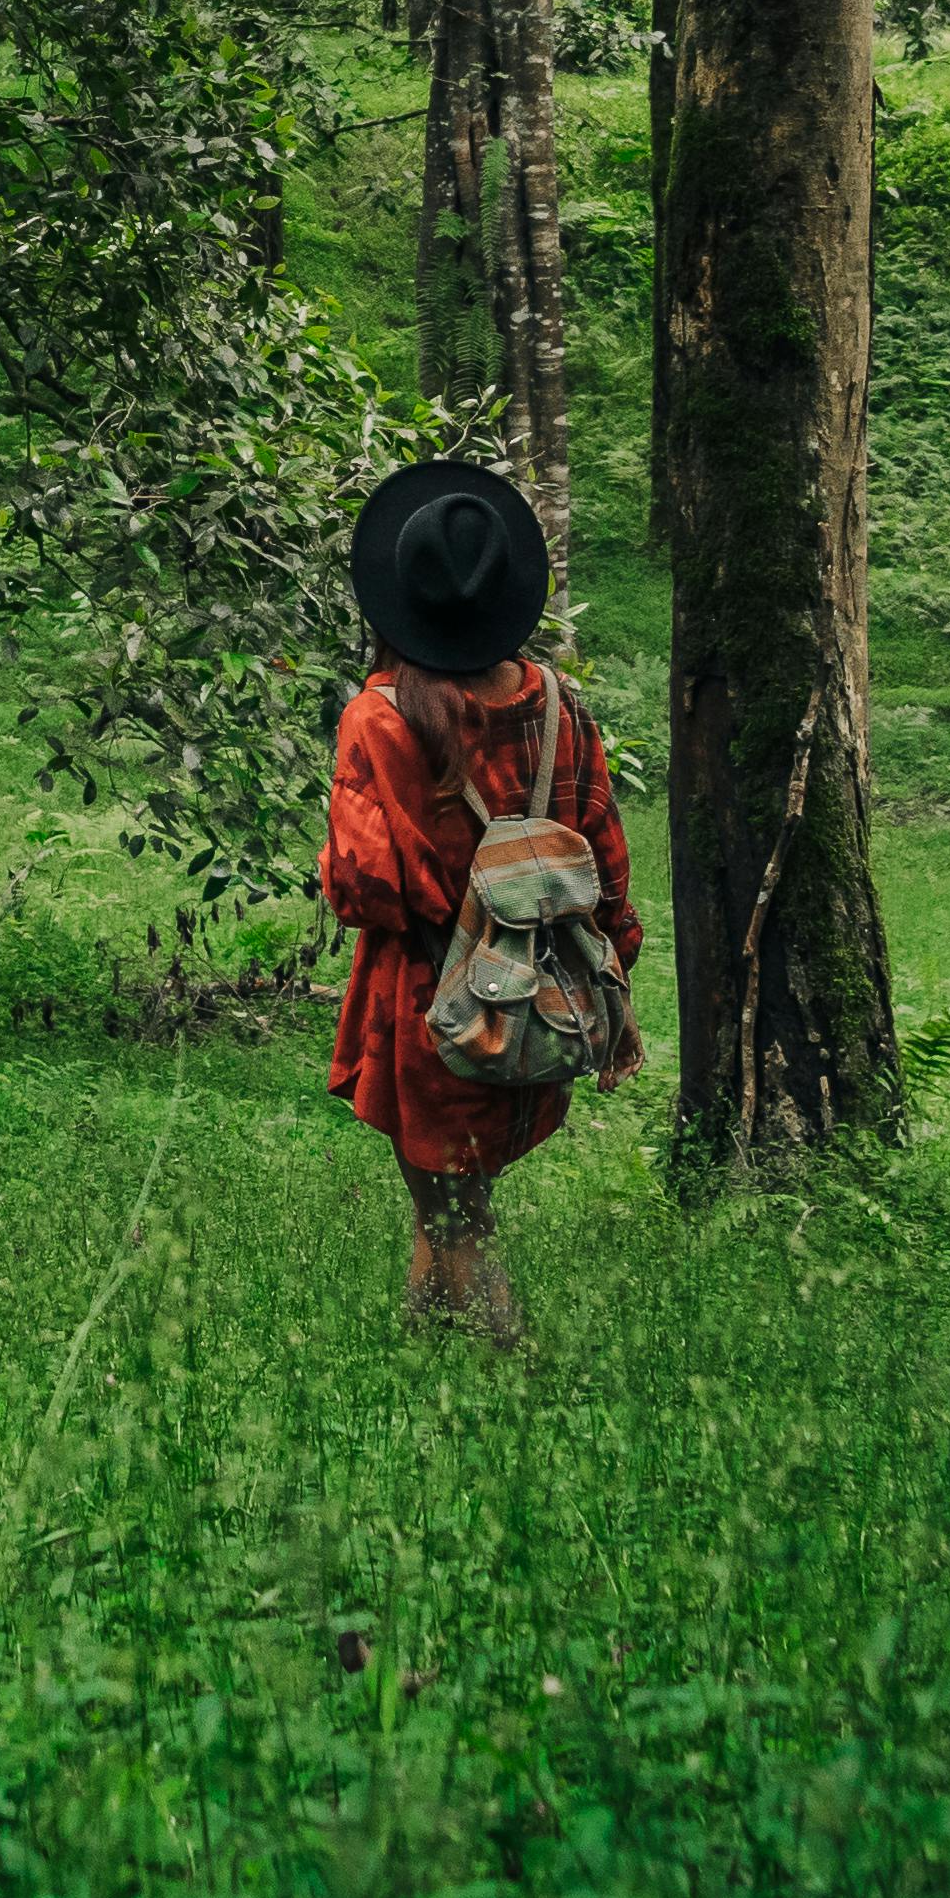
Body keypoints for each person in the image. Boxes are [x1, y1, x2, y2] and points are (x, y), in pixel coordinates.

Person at [316, 459, 639, 1341]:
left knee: (456, 1214)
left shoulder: (381, 718)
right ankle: (419, 1361)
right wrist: (607, 992)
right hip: (538, 996)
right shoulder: (558, 705)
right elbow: (605, 864)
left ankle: (512, 1379)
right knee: (446, 1200)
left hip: (436, 1003)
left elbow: (364, 888)